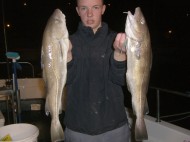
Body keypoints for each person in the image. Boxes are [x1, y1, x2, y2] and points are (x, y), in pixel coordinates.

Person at [64, 0, 130, 141]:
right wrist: (68, 55)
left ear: (103, 9)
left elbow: (122, 80)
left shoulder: (118, 40)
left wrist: (120, 54)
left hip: (115, 127)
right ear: (77, 11)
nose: (89, 14)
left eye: (95, 7)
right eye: (84, 8)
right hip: (77, 128)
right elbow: (66, 80)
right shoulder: (67, 42)